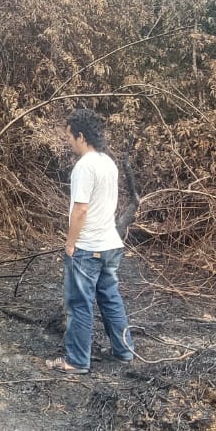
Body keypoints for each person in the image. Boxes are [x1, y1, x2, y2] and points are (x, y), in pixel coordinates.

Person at [46, 108, 135, 374]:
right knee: (110, 298)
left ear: (81, 137)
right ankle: (124, 351)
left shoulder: (84, 167)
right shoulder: (108, 162)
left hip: (88, 246)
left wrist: (70, 243)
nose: (69, 142)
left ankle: (76, 361)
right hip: (110, 243)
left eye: (70, 137)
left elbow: (81, 209)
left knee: (79, 304)